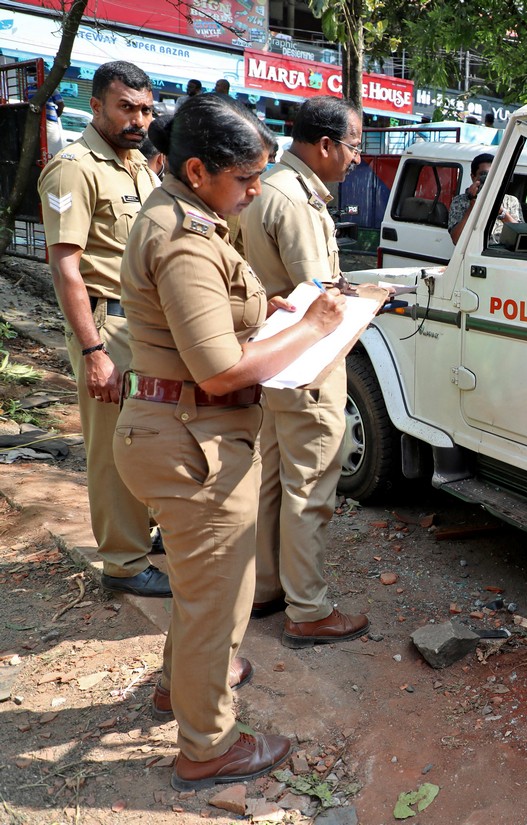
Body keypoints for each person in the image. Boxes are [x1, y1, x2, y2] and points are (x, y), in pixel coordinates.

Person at [113, 93, 346, 790]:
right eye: (244, 179)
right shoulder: (183, 236)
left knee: (198, 584)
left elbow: (208, 321)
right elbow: (216, 371)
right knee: (219, 597)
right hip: (193, 441)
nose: (253, 192)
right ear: (196, 168)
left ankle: (172, 688)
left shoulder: (188, 215)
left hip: (178, 432)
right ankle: (208, 743)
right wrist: (312, 327)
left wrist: (268, 313)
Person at [238, 96, 371, 648]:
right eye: (355, 146)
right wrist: (371, 298)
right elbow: (320, 298)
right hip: (307, 364)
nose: (357, 159)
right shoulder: (296, 202)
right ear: (324, 146)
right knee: (311, 484)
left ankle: (267, 587)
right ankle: (308, 609)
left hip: (274, 360)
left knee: (273, 479)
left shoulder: (268, 187)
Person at [36, 61, 169, 598]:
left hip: (147, 322)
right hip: (108, 324)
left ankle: (143, 532)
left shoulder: (139, 165)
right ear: (95, 106)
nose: (139, 119)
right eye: (126, 107)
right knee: (114, 444)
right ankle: (123, 561)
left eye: (145, 109)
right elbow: (65, 266)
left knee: (149, 435)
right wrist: (93, 349)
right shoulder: (74, 168)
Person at [448, 152, 522, 244]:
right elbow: (456, 240)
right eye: (484, 175)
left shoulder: (511, 201)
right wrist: (473, 203)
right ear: (473, 177)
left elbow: (521, 237)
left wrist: (500, 211)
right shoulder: (459, 201)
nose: (488, 179)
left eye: (493, 175)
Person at [27, 72, 65, 156]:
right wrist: (56, 115)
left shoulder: (51, 89)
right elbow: (61, 105)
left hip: (44, 121)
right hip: (41, 121)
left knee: (51, 150)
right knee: (52, 150)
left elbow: (61, 105)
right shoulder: (28, 90)